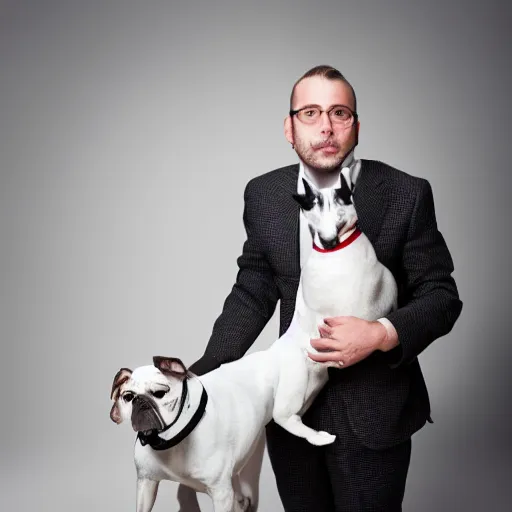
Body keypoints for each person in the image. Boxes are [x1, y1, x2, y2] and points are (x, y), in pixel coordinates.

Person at [189, 65, 463, 511]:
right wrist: (203, 375)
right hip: (289, 407)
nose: (326, 126)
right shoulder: (264, 195)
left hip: (375, 408)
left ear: (356, 126)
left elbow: (440, 296)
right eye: (311, 113)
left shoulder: (405, 193)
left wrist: (380, 334)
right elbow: (253, 290)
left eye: (339, 113)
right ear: (289, 126)